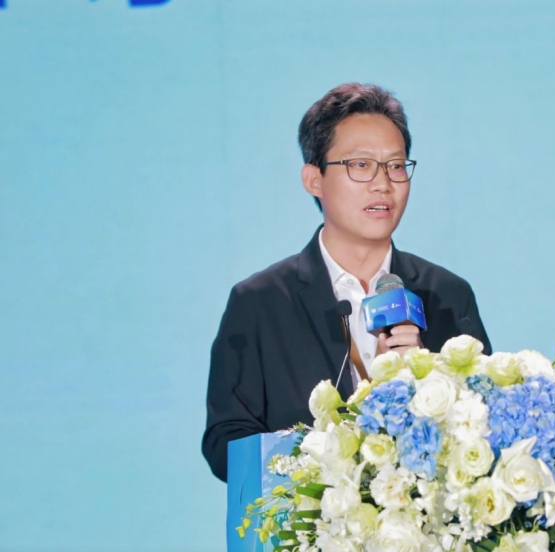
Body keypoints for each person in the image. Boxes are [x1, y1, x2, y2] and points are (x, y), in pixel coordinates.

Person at [201, 83, 492, 482]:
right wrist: (324, 464)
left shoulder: (447, 295)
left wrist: (427, 380)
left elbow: (485, 426)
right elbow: (225, 443)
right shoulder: (259, 303)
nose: (383, 183)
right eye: (360, 164)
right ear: (314, 179)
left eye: (396, 166)